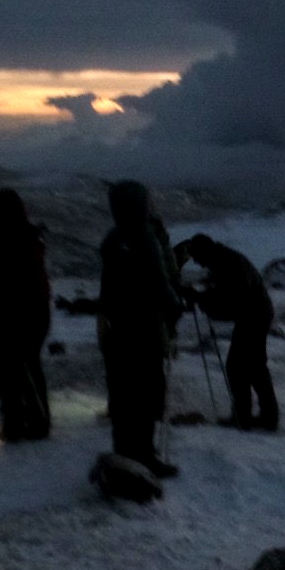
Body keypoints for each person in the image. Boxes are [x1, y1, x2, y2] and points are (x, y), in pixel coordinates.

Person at [98, 181, 185, 476]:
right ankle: (145, 456)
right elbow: (159, 282)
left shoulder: (113, 238)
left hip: (117, 327)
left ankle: (124, 451)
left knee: (123, 395)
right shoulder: (144, 237)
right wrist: (175, 308)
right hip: (144, 327)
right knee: (145, 393)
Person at [182, 233, 278, 432]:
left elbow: (232, 298)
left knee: (237, 367)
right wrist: (205, 298)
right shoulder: (223, 258)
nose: (198, 264)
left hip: (253, 314)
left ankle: (244, 418)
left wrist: (202, 299)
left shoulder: (225, 262)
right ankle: (266, 417)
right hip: (256, 312)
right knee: (255, 367)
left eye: (197, 258)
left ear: (204, 252)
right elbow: (227, 295)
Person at [0, 188, 52, 441]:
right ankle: (34, 421)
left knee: (12, 367)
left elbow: (0, 274)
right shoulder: (30, 236)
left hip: (15, 307)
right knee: (27, 365)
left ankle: (23, 422)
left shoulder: (2, 239)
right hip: (36, 308)